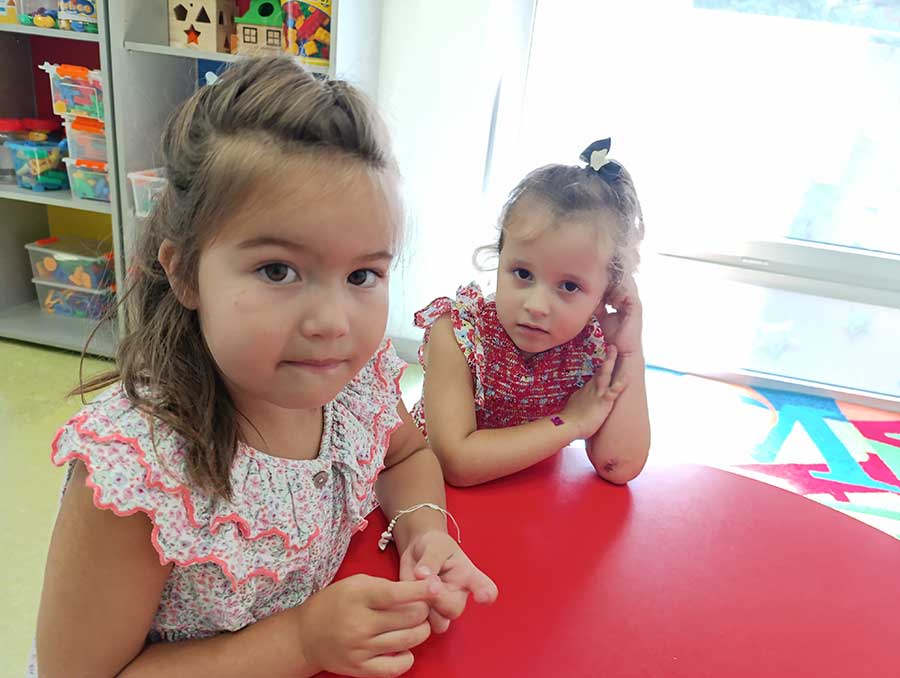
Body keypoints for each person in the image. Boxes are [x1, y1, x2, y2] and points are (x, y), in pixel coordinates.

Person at [31, 57, 497, 678]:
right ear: (185, 272)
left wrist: (424, 532)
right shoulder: (139, 471)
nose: (332, 322)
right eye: (278, 271)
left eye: (363, 275)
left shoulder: (355, 384)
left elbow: (406, 457)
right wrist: (300, 643)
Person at [412, 139, 651, 487]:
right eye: (523, 273)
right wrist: (570, 423)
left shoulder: (590, 346)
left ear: (605, 294)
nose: (536, 305)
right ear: (500, 258)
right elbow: (456, 463)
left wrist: (629, 352)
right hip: (426, 495)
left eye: (569, 286)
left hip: (527, 496)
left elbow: (619, 466)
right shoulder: (460, 334)